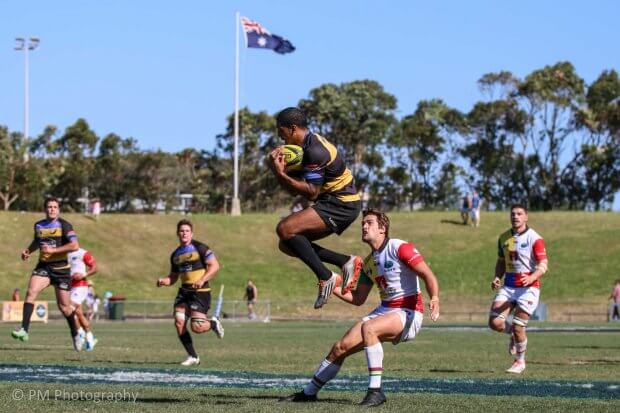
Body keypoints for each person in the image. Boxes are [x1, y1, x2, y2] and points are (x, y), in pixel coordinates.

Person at [280, 209, 440, 407]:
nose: (364, 226)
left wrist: (434, 297)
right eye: (362, 223)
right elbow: (358, 298)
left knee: (369, 328)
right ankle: (308, 393)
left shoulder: (399, 247)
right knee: (340, 348)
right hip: (385, 311)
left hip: (408, 313)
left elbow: (428, 274)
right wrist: (333, 286)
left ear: (382, 229)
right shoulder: (368, 262)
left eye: (369, 223)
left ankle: (375, 391)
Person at [269, 107, 363, 309]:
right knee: (287, 244)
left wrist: (280, 174)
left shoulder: (314, 151)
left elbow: (311, 192)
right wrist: (282, 172)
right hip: (333, 202)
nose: (280, 137)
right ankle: (345, 261)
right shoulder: (306, 147)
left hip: (342, 203)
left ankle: (327, 276)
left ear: (293, 128)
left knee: (284, 228)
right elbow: (296, 191)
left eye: (281, 131)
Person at [11, 197, 81, 351]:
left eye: (55, 207)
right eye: (49, 207)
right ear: (45, 209)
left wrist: (54, 250)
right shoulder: (39, 225)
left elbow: (75, 245)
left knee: (65, 308)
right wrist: (28, 251)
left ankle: (75, 333)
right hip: (44, 267)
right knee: (31, 292)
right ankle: (24, 330)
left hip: (62, 270)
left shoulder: (64, 225)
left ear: (58, 209)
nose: (52, 209)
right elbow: (37, 241)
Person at [488, 204, 548, 374]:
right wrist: (497, 277)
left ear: (526, 217)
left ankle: (520, 362)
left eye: (519, 214)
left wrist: (531, 277)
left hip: (529, 288)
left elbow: (544, 264)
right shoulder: (503, 238)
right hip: (509, 286)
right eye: (513, 214)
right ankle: (513, 336)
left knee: (518, 326)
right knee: (495, 323)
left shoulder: (535, 238)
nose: (515, 216)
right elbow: (501, 261)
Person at [157, 219, 224, 366]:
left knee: (197, 327)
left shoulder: (200, 247)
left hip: (200, 292)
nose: (184, 233)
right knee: (179, 322)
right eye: (181, 231)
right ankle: (193, 356)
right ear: (177, 234)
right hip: (184, 292)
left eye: (187, 231)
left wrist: (202, 279)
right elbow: (173, 277)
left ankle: (213, 323)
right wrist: (164, 281)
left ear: (191, 233)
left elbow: (215, 266)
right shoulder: (175, 255)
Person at [68, 247, 98, 351]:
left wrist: (84, 274)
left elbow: (95, 267)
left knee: (69, 309)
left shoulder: (83, 253)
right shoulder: (62, 254)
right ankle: (90, 337)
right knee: (78, 314)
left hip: (80, 286)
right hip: (68, 287)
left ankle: (79, 334)